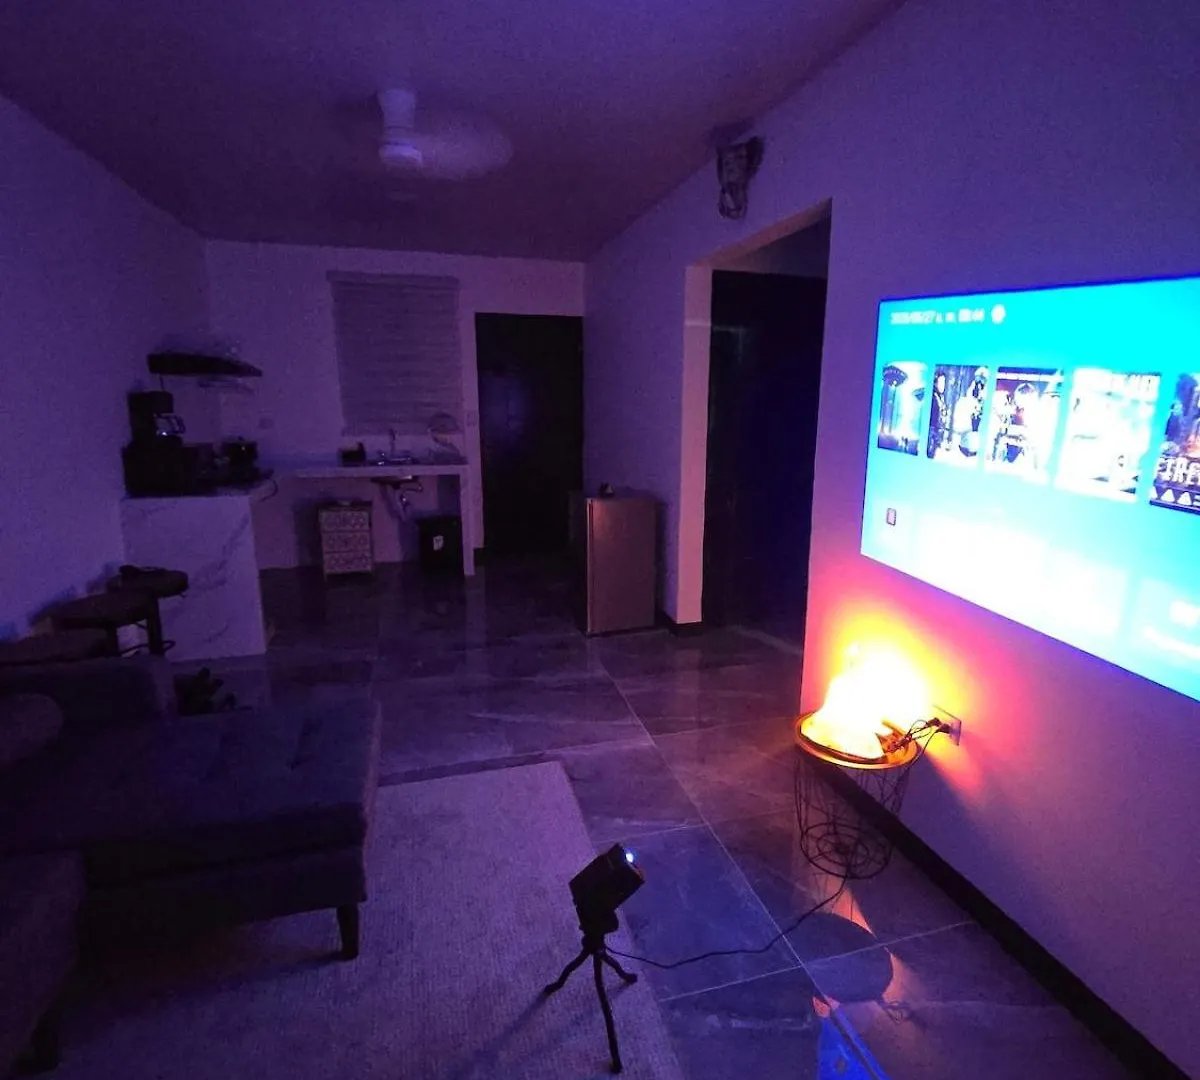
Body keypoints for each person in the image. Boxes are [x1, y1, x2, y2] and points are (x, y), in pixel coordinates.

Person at [927, 372, 949, 458]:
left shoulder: (941, 397)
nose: (943, 385)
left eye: (944, 382)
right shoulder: (932, 396)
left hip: (937, 431)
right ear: (935, 383)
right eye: (941, 382)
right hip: (931, 430)